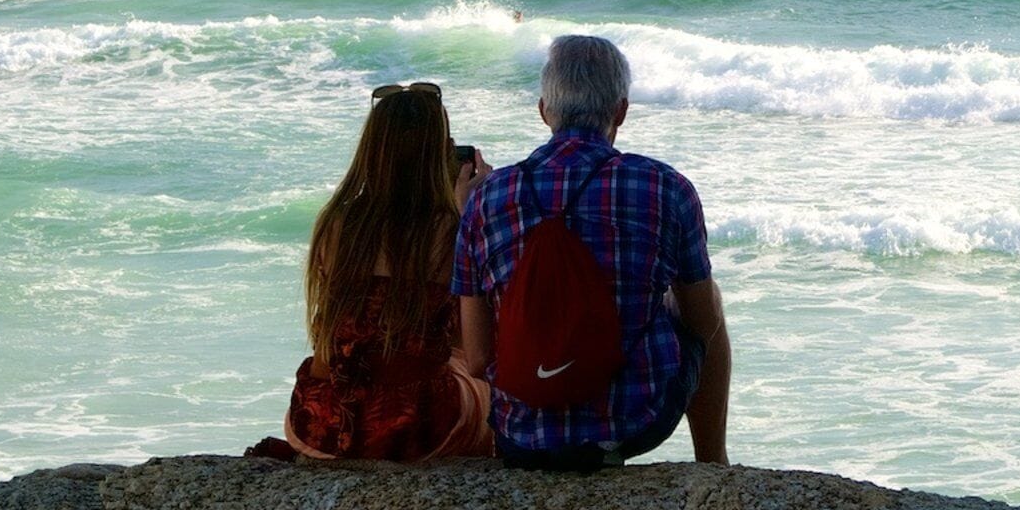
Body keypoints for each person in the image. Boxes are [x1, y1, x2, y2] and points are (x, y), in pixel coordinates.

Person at [456, 35, 731, 470]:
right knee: (707, 299)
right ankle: (713, 463)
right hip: (637, 423)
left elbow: (476, 358)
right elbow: (703, 323)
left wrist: (468, 214)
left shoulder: (486, 197)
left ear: (544, 110)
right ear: (620, 110)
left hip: (522, 433)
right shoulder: (665, 186)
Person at [273, 81, 493, 463]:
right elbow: (476, 347)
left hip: (324, 419)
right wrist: (471, 212)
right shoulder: (454, 229)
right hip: (418, 426)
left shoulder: (336, 222)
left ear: (372, 151)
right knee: (482, 385)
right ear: (439, 153)